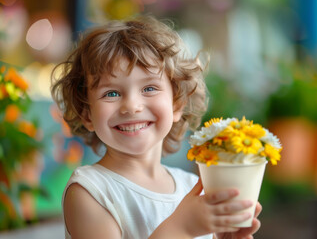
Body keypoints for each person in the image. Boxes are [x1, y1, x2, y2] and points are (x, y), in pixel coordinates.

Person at [51, 15, 262, 239]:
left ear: (177, 104)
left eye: (149, 88)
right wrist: (183, 228)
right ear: (87, 114)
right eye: (111, 93)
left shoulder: (193, 186)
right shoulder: (90, 191)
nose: (132, 106)